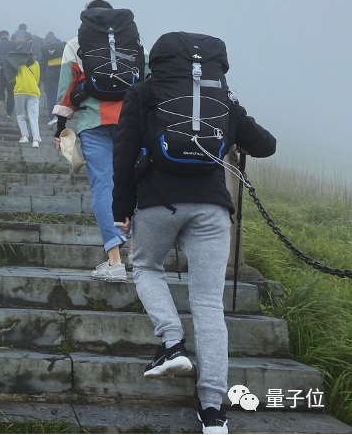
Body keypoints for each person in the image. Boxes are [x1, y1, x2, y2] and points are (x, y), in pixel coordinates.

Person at [112, 31, 276, 434]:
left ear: (159, 60)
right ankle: (214, 411)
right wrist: (233, 123)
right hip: (212, 208)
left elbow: (125, 150)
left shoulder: (145, 91)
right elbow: (266, 145)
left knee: (147, 267)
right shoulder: (222, 98)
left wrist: (121, 210)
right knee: (208, 304)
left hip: (158, 202)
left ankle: (171, 343)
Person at [53, 0, 146, 283]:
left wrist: (60, 129)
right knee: (134, 185)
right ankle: (138, 254)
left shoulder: (76, 43)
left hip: (94, 124)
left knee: (104, 187)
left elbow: (67, 89)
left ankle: (115, 262)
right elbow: (148, 78)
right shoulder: (134, 42)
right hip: (132, 123)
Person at [14, 52, 42, 148]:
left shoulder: (17, 63)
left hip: (20, 90)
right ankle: (35, 140)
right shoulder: (36, 63)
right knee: (33, 117)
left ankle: (25, 136)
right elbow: (37, 78)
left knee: (20, 115)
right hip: (33, 91)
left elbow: (13, 77)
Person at [39, 32, 66, 125]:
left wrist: (44, 75)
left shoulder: (47, 48)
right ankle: (64, 115)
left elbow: (41, 63)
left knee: (52, 96)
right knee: (63, 94)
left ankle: (53, 117)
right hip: (64, 73)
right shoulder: (64, 47)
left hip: (51, 74)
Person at [0, 30, 19, 117]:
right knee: (11, 92)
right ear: (9, 37)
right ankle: (9, 113)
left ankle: (0, 101)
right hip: (10, 70)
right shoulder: (14, 44)